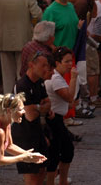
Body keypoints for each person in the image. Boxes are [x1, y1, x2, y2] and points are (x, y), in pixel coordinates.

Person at [0, 93, 47, 184]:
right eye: (20, 109)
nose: (24, 112)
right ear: (9, 111)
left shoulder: (6, 121)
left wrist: (29, 155)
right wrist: (23, 157)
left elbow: (9, 146)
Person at [12, 52, 52, 185]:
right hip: (25, 136)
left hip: (38, 132)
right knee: (31, 176)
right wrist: (41, 108)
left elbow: (48, 103)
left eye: (47, 65)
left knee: (42, 170)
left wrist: (38, 108)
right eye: (43, 65)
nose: (46, 69)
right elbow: (29, 115)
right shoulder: (22, 85)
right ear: (31, 65)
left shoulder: (40, 82)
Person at [44, 47, 77, 185]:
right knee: (57, 153)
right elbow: (70, 98)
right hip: (53, 120)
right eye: (66, 61)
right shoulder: (56, 78)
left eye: (71, 61)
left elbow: (69, 102)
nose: (70, 64)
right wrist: (74, 78)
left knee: (65, 150)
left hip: (57, 118)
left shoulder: (58, 77)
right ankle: (56, 181)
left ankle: (61, 180)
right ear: (58, 63)